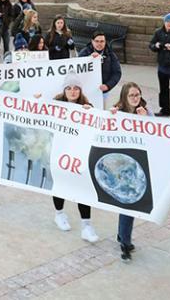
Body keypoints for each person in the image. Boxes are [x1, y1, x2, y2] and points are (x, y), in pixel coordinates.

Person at [49, 72, 99, 243]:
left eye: (76, 88)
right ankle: (59, 214)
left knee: (81, 187)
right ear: (64, 90)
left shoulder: (87, 105)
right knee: (60, 183)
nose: (72, 91)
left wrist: (90, 112)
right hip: (59, 151)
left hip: (78, 154)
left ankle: (86, 225)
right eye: (69, 88)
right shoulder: (56, 104)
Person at [111, 83, 154, 261]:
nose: (135, 98)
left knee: (130, 203)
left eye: (137, 95)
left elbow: (158, 133)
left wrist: (147, 119)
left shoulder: (146, 111)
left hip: (139, 164)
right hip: (122, 165)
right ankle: (125, 243)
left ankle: (122, 235)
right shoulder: (117, 112)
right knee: (128, 202)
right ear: (124, 97)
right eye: (132, 96)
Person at [79, 31, 121, 107]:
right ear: (92, 41)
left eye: (102, 41)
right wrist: (89, 59)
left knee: (101, 111)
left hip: (102, 91)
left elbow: (117, 73)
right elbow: (77, 70)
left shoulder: (110, 54)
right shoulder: (84, 53)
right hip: (86, 91)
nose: (99, 44)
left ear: (105, 42)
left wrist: (108, 85)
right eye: (97, 41)